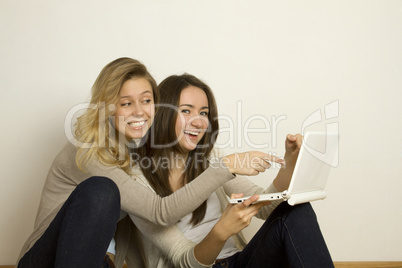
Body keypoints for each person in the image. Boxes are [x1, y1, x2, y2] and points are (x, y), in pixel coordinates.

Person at [16, 58, 281, 268]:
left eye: (146, 101)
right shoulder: (89, 149)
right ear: (108, 108)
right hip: (45, 260)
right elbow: (160, 213)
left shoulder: (138, 155)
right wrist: (225, 166)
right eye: (126, 103)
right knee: (103, 190)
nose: (140, 111)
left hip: (93, 261)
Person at [124, 74, 334, 267]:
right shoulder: (136, 181)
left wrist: (289, 163)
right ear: (161, 114)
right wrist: (222, 231)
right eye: (186, 110)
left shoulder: (209, 157)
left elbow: (265, 208)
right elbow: (183, 261)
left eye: (204, 113)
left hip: (236, 261)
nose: (198, 122)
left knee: (297, 209)